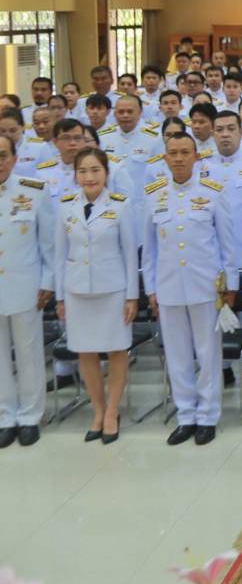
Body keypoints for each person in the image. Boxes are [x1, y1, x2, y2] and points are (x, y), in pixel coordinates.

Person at [144, 133, 237, 445]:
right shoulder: (154, 194)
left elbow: (227, 243)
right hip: (168, 285)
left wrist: (230, 285)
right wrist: (150, 288)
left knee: (207, 352)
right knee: (177, 353)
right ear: (165, 158)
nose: (180, 158)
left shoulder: (213, 192)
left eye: (186, 152)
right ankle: (185, 414)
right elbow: (150, 250)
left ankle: (208, 415)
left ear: (197, 157)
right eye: (173, 153)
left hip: (205, 285)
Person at [52, 148, 139, 443]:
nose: (89, 177)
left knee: (116, 351)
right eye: (83, 171)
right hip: (77, 291)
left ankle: (113, 411)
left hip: (112, 290)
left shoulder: (121, 205)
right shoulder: (65, 207)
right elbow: (60, 255)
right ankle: (97, 411)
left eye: (95, 170)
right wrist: (60, 297)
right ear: (75, 175)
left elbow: (129, 254)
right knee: (85, 351)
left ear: (106, 173)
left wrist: (132, 296)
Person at [0, 135, 52, 448]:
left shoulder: (34, 191)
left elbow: (47, 243)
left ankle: (30, 416)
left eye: (3, 154)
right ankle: (5, 416)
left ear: (15, 158)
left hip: (25, 284)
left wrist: (47, 282)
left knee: (29, 352)